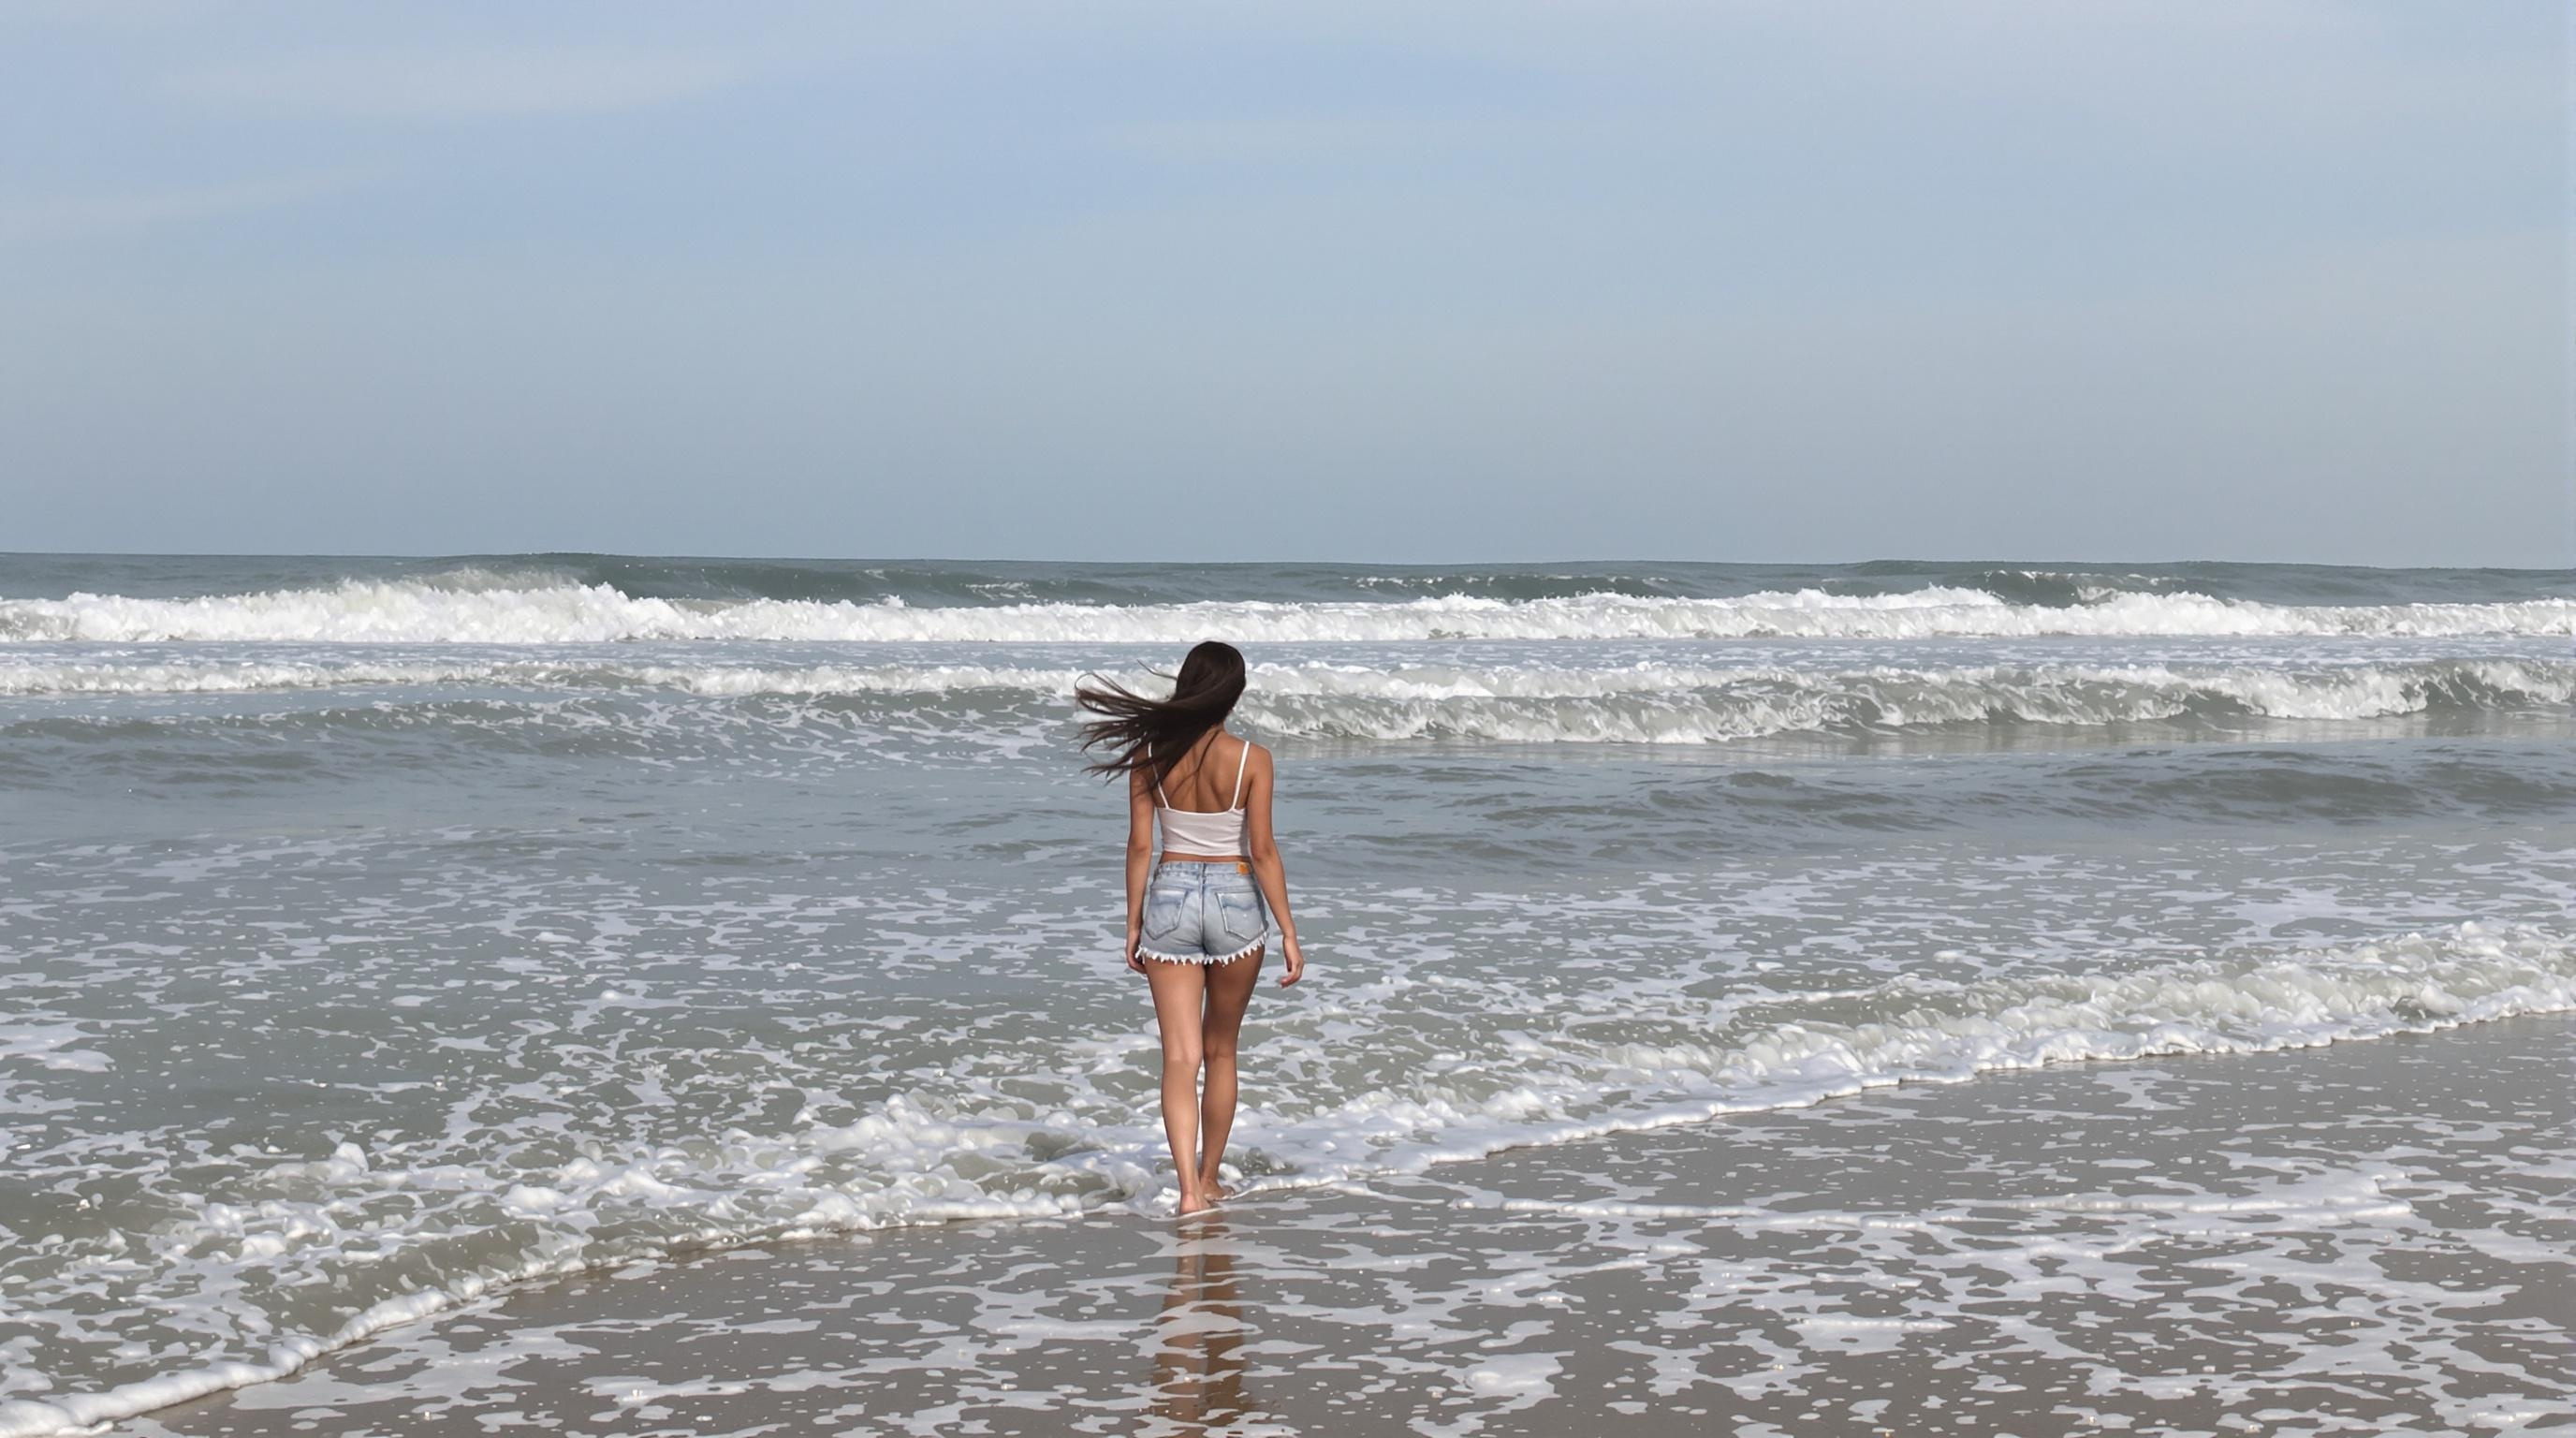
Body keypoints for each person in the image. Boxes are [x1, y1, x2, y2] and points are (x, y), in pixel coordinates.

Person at [1076, 640, 1306, 1216]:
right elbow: (1263, 850)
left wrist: (1132, 923)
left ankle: (1185, 1194)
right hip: (1233, 901)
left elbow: (1139, 846)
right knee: (1220, 1051)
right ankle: (1209, 1180)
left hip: (1169, 897)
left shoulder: (1148, 754)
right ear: (1235, 693)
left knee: (1180, 1058)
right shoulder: (1253, 758)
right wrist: (1288, 932)